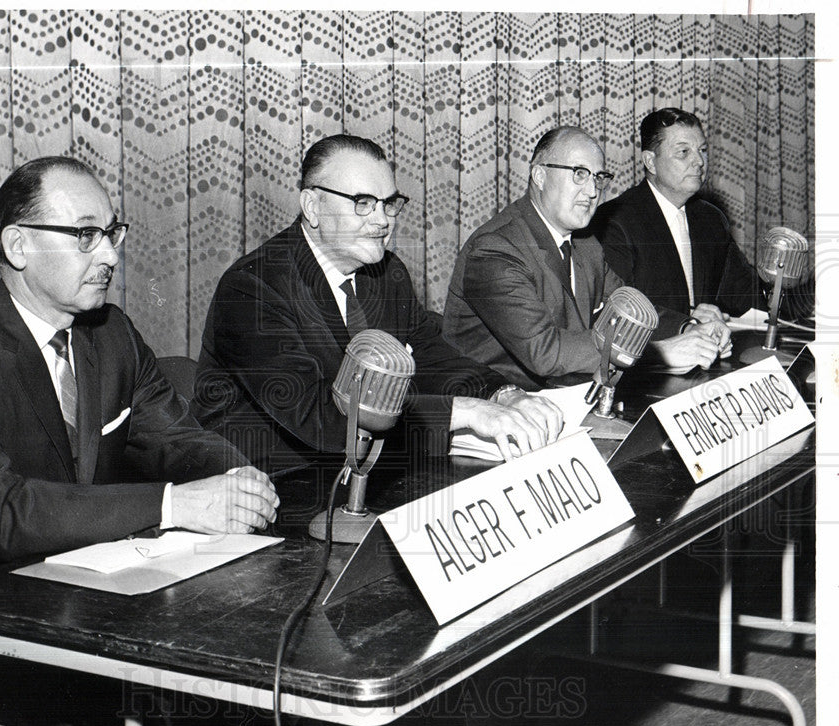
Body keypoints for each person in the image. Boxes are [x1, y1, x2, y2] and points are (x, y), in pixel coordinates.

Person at [0, 156, 279, 726]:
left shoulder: (110, 333)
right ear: (18, 245)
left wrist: (233, 480)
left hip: (74, 595)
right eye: (84, 235)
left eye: (112, 232)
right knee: (114, 706)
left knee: (242, 680)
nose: (111, 255)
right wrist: (177, 503)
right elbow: (5, 515)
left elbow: (177, 436)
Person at [192, 134, 563, 474]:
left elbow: (433, 357)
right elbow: (317, 415)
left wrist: (502, 395)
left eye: (389, 204)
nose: (382, 220)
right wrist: (465, 411)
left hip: (363, 466)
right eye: (362, 203)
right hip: (270, 481)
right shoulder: (252, 288)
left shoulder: (388, 272)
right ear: (312, 206)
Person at [442, 126, 731, 390]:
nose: (593, 191)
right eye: (579, 174)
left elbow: (630, 307)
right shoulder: (495, 250)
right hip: (495, 407)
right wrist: (661, 352)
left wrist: (691, 330)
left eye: (599, 178)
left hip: (564, 396)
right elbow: (545, 352)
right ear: (540, 175)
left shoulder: (585, 243)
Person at [592, 107, 763, 321]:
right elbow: (618, 312)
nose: (699, 162)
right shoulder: (613, 222)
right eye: (684, 152)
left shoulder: (711, 218)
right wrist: (687, 322)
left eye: (702, 150)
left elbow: (744, 295)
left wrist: (782, 283)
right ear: (651, 162)